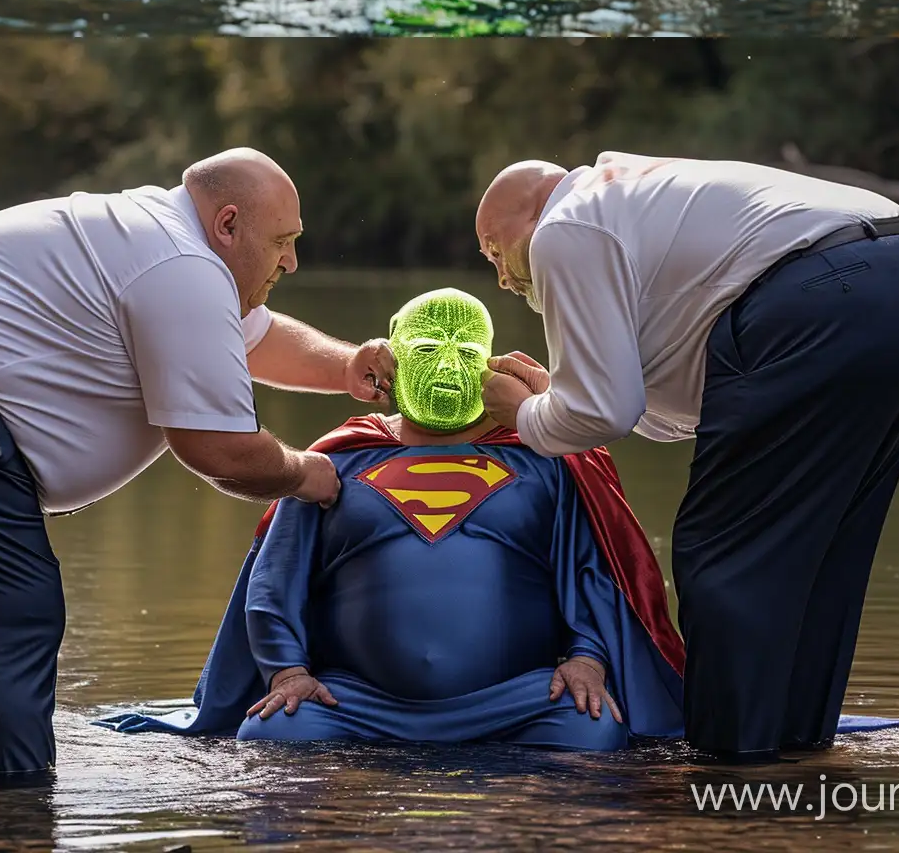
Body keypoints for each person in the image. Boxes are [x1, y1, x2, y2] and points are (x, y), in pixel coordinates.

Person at [0, 149, 398, 782]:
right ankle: (0, 813)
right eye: (283, 242)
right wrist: (309, 474)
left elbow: (256, 336)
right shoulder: (183, 267)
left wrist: (348, 366)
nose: (291, 261)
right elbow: (219, 449)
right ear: (229, 223)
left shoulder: (171, 246)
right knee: (8, 608)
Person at [470, 153, 899, 761]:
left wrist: (519, 414)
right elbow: (691, 406)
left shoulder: (567, 225)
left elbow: (604, 414)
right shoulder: (634, 201)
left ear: (534, 210)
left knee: (719, 553)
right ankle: (799, 753)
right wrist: (555, 401)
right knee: (823, 555)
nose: (501, 279)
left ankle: (730, 768)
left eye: (493, 249)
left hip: (820, 296)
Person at [176, 288, 686, 748]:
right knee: (275, 733)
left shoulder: (546, 462)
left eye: (464, 354)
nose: (445, 367)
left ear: (492, 366)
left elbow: (592, 573)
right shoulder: (336, 462)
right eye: (425, 351)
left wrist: (586, 659)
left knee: (592, 732)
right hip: (358, 706)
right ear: (391, 358)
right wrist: (287, 674)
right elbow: (275, 580)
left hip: (512, 703)